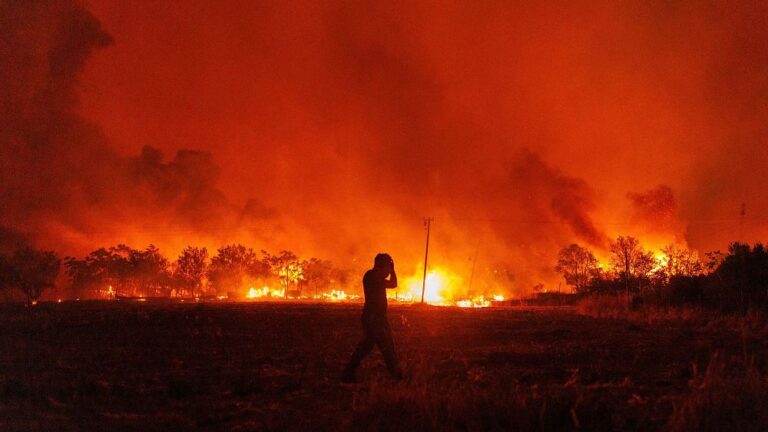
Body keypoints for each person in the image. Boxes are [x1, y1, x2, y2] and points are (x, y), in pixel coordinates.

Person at [342, 253, 402, 382]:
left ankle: (348, 372)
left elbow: (393, 284)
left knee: (370, 346)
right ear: (380, 265)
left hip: (378, 317)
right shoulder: (372, 275)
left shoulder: (376, 276)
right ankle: (396, 375)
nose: (388, 270)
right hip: (373, 317)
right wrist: (392, 270)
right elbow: (392, 283)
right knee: (386, 346)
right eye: (387, 266)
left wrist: (392, 270)